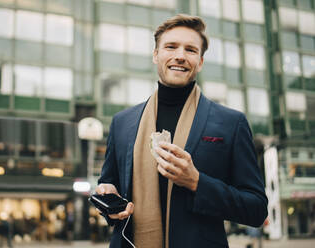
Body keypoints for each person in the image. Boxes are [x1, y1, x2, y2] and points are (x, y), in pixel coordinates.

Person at [96, 14, 268, 248]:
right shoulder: (121, 123)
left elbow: (256, 209)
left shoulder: (231, 123)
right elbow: (109, 185)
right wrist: (109, 201)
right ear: (156, 55)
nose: (180, 55)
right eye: (171, 46)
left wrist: (197, 182)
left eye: (190, 50)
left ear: (200, 61)